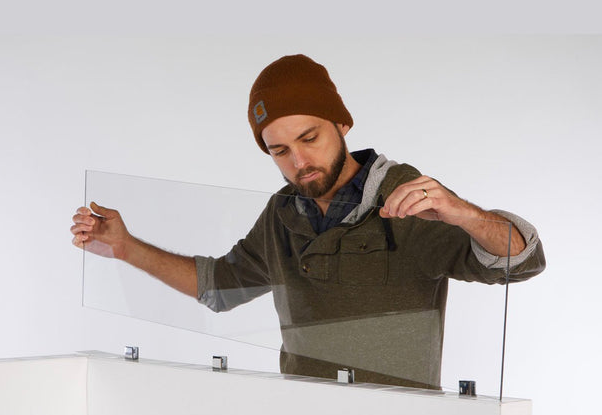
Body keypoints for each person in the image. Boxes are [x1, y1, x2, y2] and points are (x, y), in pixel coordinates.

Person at [71, 55, 545, 389]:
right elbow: (219, 286)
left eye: (309, 137)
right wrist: (124, 246)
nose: (299, 161)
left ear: (342, 123)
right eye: (279, 150)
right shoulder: (282, 214)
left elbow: (519, 260)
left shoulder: (406, 198)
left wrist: (464, 214)